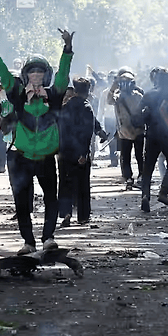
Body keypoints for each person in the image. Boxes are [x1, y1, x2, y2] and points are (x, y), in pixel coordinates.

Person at [0, 27, 75, 255]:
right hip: (20, 157)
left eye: (41, 73)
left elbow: (64, 73)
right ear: (26, 75)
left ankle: (48, 237)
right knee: (22, 202)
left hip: (45, 157)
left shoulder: (54, 95)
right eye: (32, 73)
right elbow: (4, 74)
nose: (36, 76)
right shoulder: (16, 94)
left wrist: (67, 49)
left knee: (50, 199)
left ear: (47, 76)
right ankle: (28, 242)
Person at [57, 77, 107, 227]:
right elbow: (86, 132)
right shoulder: (87, 107)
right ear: (88, 90)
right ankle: (83, 216)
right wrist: (84, 153)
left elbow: (60, 129)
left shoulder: (65, 107)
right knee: (82, 184)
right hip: (80, 152)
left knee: (65, 182)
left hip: (65, 151)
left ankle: (66, 214)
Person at [136, 68, 168, 213]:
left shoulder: (148, 94)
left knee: (148, 167)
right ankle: (163, 192)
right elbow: (163, 109)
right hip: (164, 134)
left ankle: (145, 195)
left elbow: (138, 112)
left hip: (151, 133)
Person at [108, 68, 145, 191]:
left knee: (127, 156)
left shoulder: (120, 96)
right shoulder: (137, 96)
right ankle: (139, 176)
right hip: (135, 130)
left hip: (125, 132)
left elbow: (109, 100)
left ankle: (130, 178)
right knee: (137, 155)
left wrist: (113, 87)